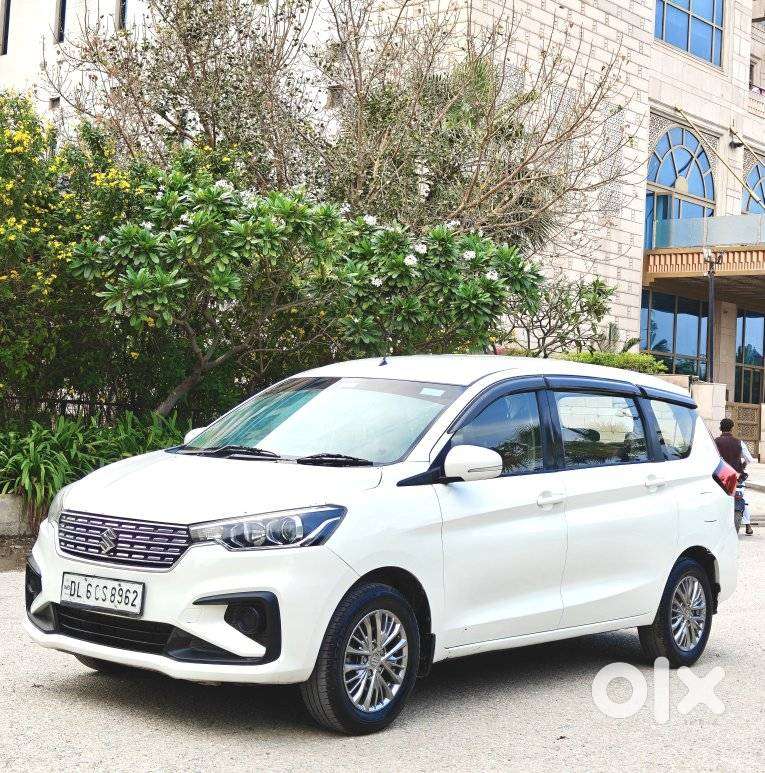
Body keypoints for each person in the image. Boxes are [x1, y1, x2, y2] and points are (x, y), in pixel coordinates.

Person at [715, 418, 755, 536]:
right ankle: (748, 525)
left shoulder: (715, 442)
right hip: (737, 476)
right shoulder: (739, 442)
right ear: (732, 428)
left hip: (721, 476)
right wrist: (743, 466)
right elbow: (749, 459)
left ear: (720, 428)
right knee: (742, 498)